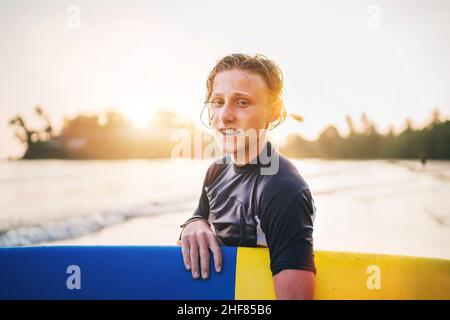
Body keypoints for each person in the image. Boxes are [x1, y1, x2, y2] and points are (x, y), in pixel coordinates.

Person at [178, 53, 316, 299]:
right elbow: (200, 215)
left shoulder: (282, 190)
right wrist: (193, 224)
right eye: (218, 101)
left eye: (242, 102)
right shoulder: (216, 171)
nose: (224, 116)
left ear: (273, 111)